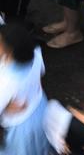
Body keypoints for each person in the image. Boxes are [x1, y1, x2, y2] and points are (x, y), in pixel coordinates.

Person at [0, 23, 49, 154]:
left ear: (9, 50)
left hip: (20, 126)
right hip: (40, 107)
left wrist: (5, 107)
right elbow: (41, 73)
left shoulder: (6, 81)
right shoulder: (36, 53)